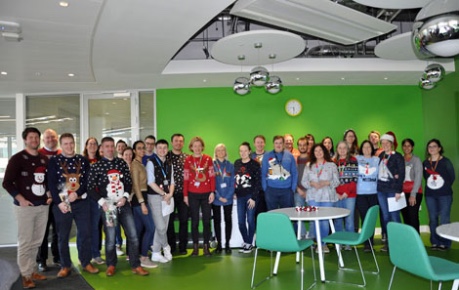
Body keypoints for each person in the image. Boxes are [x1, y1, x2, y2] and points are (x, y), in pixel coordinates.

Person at [87, 137, 148, 277]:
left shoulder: (121, 163)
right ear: (102, 148)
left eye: (111, 146)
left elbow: (128, 182)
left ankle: (135, 265)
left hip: (124, 206)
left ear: (114, 148)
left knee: (133, 236)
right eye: (106, 146)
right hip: (109, 209)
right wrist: (103, 203)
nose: (109, 149)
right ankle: (111, 265)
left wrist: (125, 196)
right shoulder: (96, 166)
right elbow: (90, 188)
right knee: (110, 239)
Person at [2, 127, 50, 288]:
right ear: (25, 139)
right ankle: (25, 275)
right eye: (31, 138)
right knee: (25, 242)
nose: (34, 140)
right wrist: (20, 199)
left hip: (42, 206)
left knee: (37, 241)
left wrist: (49, 196)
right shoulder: (17, 159)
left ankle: (32, 270)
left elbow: (47, 182)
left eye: (37, 137)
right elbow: (7, 182)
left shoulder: (44, 159)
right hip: (25, 208)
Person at [48, 133, 99, 278]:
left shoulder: (82, 160)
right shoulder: (54, 161)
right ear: (61, 145)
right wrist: (59, 203)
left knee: (85, 233)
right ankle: (65, 265)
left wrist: (77, 193)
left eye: (71, 143)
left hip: (81, 203)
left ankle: (86, 262)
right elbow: (51, 183)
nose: (69, 146)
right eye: (66, 143)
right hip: (62, 204)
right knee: (63, 236)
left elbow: (88, 181)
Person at [301, 143, 339, 253]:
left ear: (324, 152)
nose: (318, 153)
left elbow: (336, 181)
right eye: (315, 151)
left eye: (320, 150)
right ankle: (318, 243)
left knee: (325, 221)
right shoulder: (309, 165)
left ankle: (324, 244)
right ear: (313, 153)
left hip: (328, 197)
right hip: (313, 196)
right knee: (316, 221)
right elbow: (304, 181)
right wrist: (312, 184)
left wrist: (327, 182)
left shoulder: (331, 165)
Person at [183, 136, 216, 257]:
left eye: (199, 146)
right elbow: (186, 178)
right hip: (192, 194)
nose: (197, 148)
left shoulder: (208, 159)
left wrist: (212, 191)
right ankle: (195, 247)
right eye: (195, 146)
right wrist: (185, 195)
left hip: (207, 194)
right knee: (195, 222)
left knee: (207, 221)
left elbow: (212, 176)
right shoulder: (188, 160)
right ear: (191, 147)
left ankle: (206, 246)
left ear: (202, 146)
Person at [423, 139, 455, 251]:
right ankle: (435, 242)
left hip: (444, 195)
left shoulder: (446, 162)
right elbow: (426, 177)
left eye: (434, 146)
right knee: (433, 219)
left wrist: (442, 187)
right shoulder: (425, 163)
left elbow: (452, 177)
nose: (431, 148)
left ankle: (445, 243)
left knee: (444, 219)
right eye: (429, 146)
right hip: (430, 195)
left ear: (439, 148)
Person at [36, 128, 61, 272]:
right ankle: (42, 260)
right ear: (43, 140)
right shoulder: (38, 154)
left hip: (58, 200)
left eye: (53, 137)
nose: (50, 139)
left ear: (56, 138)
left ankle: (57, 258)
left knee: (58, 231)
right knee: (43, 232)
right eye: (47, 138)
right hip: (43, 200)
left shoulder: (61, 154)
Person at [147, 139, 175, 263]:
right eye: (159, 148)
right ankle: (166, 246)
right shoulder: (151, 162)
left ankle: (156, 253)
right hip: (155, 197)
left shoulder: (169, 163)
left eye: (164, 148)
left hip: (168, 197)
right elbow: (150, 182)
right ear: (155, 149)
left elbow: (172, 181)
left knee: (164, 226)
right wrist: (164, 194)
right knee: (161, 227)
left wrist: (169, 195)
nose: (162, 150)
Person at [130, 140, 157, 268]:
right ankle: (144, 257)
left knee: (138, 230)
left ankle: (134, 256)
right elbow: (135, 185)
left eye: (143, 148)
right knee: (151, 228)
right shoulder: (135, 165)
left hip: (141, 198)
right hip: (139, 199)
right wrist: (142, 203)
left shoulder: (141, 163)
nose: (142, 150)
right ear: (134, 151)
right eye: (139, 148)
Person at [377, 133, 405, 252]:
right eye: (383, 143)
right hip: (381, 190)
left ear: (391, 144)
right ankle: (389, 244)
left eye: (387, 143)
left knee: (394, 216)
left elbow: (402, 173)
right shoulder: (381, 156)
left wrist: (398, 190)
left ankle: (398, 242)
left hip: (393, 191)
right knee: (385, 217)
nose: (385, 145)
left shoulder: (398, 156)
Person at [234, 142, 261, 253]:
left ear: (249, 151)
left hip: (251, 196)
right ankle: (246, 241)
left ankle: (249, 243)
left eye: (245, 150)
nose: (243, 153)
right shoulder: (236, 163)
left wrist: (254, 198)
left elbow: (258, 182)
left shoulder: (255, 164)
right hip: (240, 197)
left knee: (250, 219)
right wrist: (234, 192)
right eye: (241, 151)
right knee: (240, 221)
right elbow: (234, 179)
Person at [82, 137, 104, 265]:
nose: (92, 146)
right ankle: (85, 255)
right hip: (84, 198)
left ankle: (96, 254)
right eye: (90, 144)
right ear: (86, 146)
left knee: (95, 227)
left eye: (95, 144)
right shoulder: (81, 161)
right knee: (84, 227)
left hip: (97, 198)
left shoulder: (101, 161)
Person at [166, 133, 189, 255]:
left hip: (183, 194)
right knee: (169, 222)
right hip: (169, 194)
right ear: (172, 142)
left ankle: (183, 247)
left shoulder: (187, 157)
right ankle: (171, 246)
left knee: (183, 220)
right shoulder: (166, 156)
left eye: (181, 141)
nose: (178, 143)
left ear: (183, 143)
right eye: (176, 141)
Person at [261, 135, 297, 210]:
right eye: (276, 143)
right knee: (272, 214)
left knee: (287, 214)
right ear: (273, 144)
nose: (278, 145)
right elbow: (263, 173)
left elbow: (294, 173)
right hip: (271, 190)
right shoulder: (267, 156)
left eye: (280, 143)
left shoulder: (290, 156)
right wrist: (265, 188)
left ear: (283, 144)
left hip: (287, 190)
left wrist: (292, 189)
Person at [333, 141, 358, 250]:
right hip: (336, 195)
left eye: (344, 148)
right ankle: (339, 241)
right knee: (338, 220)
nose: (342, 150)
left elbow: (354, 179)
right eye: (340, 148)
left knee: (349, 219)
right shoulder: (333, 162)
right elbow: (331, 180)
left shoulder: (353, 160)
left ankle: (349, 243)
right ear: (337, 149)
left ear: (347, 149)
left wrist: (346, 193)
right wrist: (336, 193)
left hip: (350, 195)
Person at [355, 140, 379, 252]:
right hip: (360, 194)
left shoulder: (377, 160)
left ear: (372, 148)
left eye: (368, 147)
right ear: (361, 149)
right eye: (364, 147)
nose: (366, 149)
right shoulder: (357, 159)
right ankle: (366, 243)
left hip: (374, 193)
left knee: (372, 219)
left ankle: (370, 242)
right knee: (364, 218)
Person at [211, 144, 235, 254]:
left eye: (223, 150)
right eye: (218, 150)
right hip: (216, 198)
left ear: (225, 152)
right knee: (217, 221)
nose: (221, 152)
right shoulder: (212, 165)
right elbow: (211, 183)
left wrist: (228, 196)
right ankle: (219, 245)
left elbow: (233, 183)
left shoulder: (230, 165)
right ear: (215, 153)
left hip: (228, 198)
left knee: (228, 220)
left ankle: (227, 244)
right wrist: (219, 196)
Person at [401, 138, 423, 234]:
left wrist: (413, 194)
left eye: (409, 145)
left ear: (412, 147)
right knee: (406, 217)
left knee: (413, 217)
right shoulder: (400, 159)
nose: (406, 148)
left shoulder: (416, 160)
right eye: (405, 145)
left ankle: (416, 240)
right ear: (402, 147)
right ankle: (409, 239)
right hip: (402, 193)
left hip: (415, 193)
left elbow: (418, 177)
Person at [295, 137, 309, 238]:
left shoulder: (312, 160)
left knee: (314, 214)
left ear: (308, 146)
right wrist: (298, 189)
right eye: (300, 145)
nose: (302, 147)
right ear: (298, 146)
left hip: (311, 192)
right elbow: (292, 176)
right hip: (298, 191)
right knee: (298, 213)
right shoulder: (295, 160)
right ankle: (303, 235)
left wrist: (309, 191)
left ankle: (313, 236)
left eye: (304, 144)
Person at [251, 135, 267, 218]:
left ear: (264, 143)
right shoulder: (250, 156)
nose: (259, 144)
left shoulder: (269, 155)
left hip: (267, 188)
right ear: (254, 144)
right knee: (255, 213)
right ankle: (257, 231)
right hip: (254, 189)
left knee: (266, 212)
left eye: (261, 142)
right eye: (257, 142)